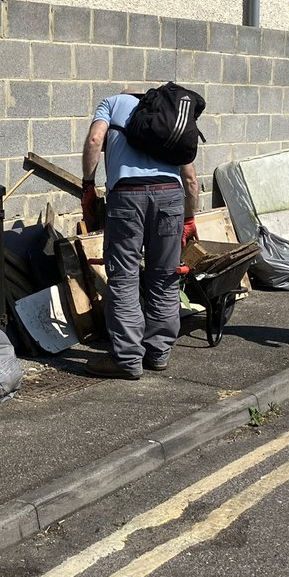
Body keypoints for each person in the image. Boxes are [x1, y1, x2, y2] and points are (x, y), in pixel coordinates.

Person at [81, 89, 200, 379]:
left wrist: (87, 185)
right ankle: (158, 353)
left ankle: (127, 360)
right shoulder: (170, 115)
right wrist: (189, 218)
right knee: (164, 276)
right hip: (171, 197)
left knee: (124, 278)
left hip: (127, 197)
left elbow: (96, 139)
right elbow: (192, 180)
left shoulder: (111, 103)